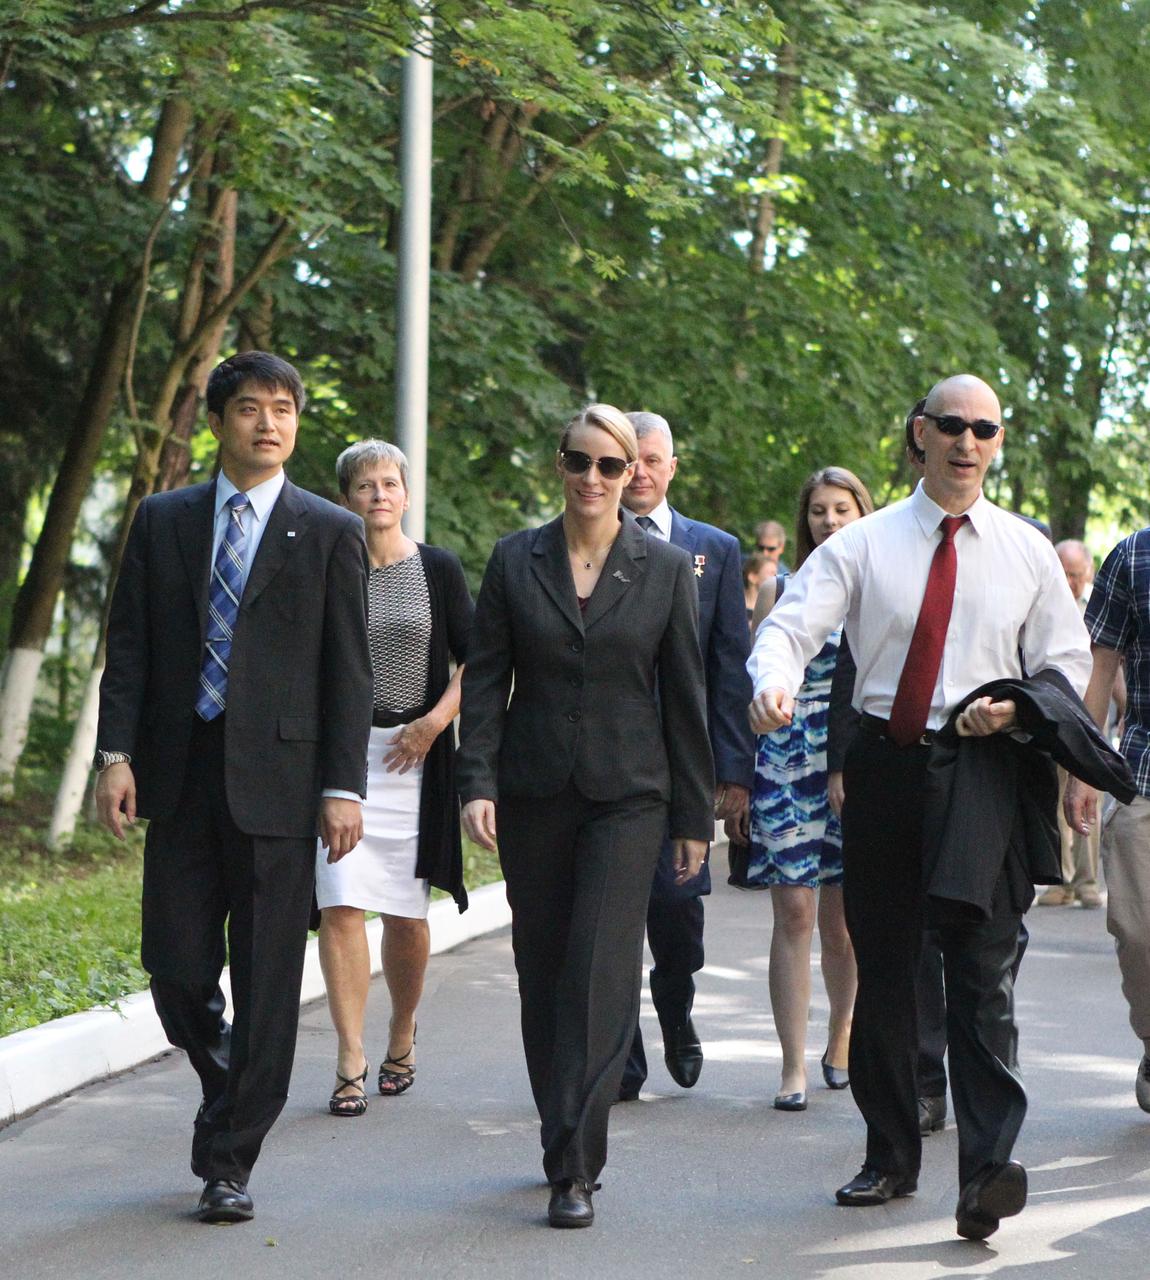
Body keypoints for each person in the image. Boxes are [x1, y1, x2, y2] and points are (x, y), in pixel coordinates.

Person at [749, 374, 1094, 1241]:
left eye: (984, 428)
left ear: (997, 440)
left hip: (985, 774)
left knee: (982, 977)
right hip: (888, 768)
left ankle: (985, 1173)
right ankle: (890, 1156)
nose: (967, 442)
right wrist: (775, 683)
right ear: (919, 434)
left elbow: (1067, 661)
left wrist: (1020, 707)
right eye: (952, 426)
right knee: (891, 971)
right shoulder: (863, 544)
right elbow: (790, 627)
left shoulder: (1025, 550)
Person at [94, 352, 372, 1224]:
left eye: (283, 409)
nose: (268, 423)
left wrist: (342, 786)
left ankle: (230, 1163)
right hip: (179, 777)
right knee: (174, 967)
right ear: (218, 421)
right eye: (250, 408)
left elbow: (348, 673)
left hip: (284, 788)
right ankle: (230, 1079)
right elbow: (130, 645)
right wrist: (115, 756)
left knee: (264, 977)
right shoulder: (164, 519)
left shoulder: (328, 529)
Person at [457, 404, 713, 1229]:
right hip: (534, 796)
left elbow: (684, 697)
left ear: (634, 472)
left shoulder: (667, 568)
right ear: (560, 466)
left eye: (614, 465)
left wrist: (693, 816)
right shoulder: (512, 560)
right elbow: (487, 683)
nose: (597, 479)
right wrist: (476, 782)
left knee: (601, 971)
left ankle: (578, 1169)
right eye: (582, 462)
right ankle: (557, 1125)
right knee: (543, 974)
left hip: (630, 795)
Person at [316, 440, 473, 1117]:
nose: (379, 494)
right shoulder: (329, 567)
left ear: (406, 495)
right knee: (341, 905)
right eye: (365, 485)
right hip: (346, 760)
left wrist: (434, 724)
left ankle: (401, 1031)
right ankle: (350, 1055)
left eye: (389, 483)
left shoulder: (437, 568)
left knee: (406, 916)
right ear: (346, 498)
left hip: (417, 758)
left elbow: (478, 660)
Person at [616, 410, 754, 1100]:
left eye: (650, 459)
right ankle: (623, 1054)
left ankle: (675, 1005)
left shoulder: (716, 550)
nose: (637, 472)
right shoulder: (591, 541)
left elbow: (731, 665)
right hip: (611, 761)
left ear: (672, 466)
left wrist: (735, 771)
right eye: (626, 458)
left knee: (677, 912)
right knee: (611, 917)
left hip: (686, 766)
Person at [745, 467, 874, 1111]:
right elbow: (761, 668)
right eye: (819, 511)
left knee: (842, 924)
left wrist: (847, 759)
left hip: (852, 753)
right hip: (788, 754)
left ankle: (842, 1032)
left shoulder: (876, 586)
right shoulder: (783, 586)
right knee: (793, 909)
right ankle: (792, 1063)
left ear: (861, 515)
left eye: (841, 509)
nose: (829, 521)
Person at [1065, 528, 1150, 1110]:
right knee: (1136, 928)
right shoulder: (1133, 555)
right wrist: (1082, 769)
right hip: (1144, 772)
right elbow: (1099, 672)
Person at [1039, 540, 1102, 908]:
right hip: (1054, 718)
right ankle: (1059, 883)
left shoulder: (1098, 607)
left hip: (1089, 722)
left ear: (1088, 574)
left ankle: (1087, 882)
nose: (1070, 580)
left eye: (1076, 574)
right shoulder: (1045, 605)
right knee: (1055, 799)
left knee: (1089, 796)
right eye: (1064, 573)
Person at [743, 552, 770, 627]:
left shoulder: (774, 610)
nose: (776, 578)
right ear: (753, 577)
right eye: (771, 574)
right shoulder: (735, 607)